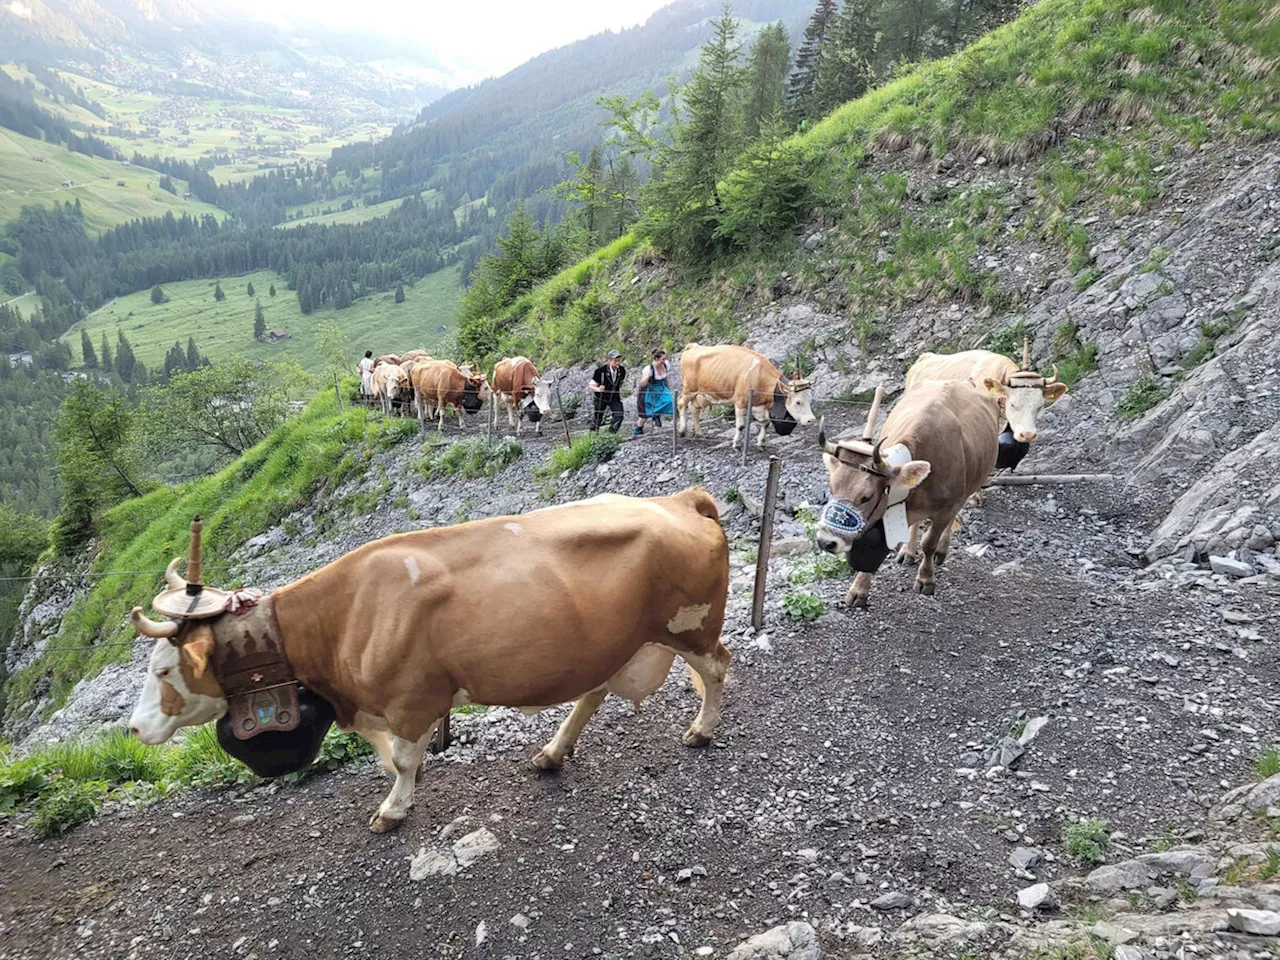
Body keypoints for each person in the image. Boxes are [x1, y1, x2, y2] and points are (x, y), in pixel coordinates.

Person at [634, 347, 673, 436]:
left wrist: (667, 387)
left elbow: (665, 377)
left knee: (669, 401)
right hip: (649, 390)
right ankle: (638, 428)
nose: (664, 361)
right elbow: (642, 384)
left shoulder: (666, 364)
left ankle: (656, 415)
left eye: (664, 359)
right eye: (662, 359)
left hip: (661, 388)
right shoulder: (648, 369)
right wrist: (648, 376)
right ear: (656, 359)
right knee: (644, 413)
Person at [589, 350, 626, 433]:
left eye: (619, 361)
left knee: (619, 415)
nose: (617, 363)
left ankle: (611, 434)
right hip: (601, 398)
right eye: (615, 361)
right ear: (609, 360)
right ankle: (593, 436)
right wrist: (598, 389)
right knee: (597, 418)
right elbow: (591, 386)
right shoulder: (600, 371)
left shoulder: (622, 370)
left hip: (614, 397)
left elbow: (621, 382)